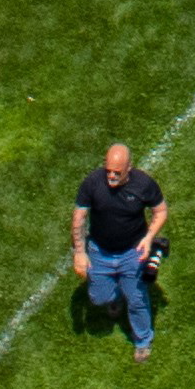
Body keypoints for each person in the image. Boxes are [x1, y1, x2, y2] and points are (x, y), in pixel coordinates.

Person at [71, 142, 166, 361]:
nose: (111, 176)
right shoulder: (92, 183)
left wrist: (149, 238)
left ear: (129, 168)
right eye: (109, 171)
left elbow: (160, 211)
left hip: (132, 251)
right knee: (98, 297)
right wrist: (79, 252)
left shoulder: (143, 184)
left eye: (117, 173)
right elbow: (79, 217)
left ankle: (143, 342)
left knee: (137, 298)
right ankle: (115, 297)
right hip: (100, 251)